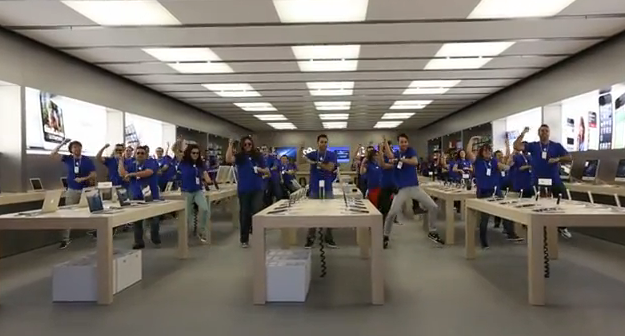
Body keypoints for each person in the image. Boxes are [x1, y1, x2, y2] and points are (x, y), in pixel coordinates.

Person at [382, 134, 444, 248]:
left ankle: (432, 231)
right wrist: (385, 142)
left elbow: (415, 162)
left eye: (405, 141)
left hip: (415, 187)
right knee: (392, 213)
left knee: (433, 207)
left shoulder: (411, 151)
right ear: (399, 143)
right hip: (402, 190)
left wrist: (401, 159)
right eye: (401, 142)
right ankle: (385, 236)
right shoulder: (396, 154)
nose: (404, 144)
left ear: (408, 142)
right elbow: (390, 155)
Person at [514, 124, 573, 238]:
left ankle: (562, 226)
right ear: (538, 133)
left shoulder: (556, 146)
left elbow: (569, 157)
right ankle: (537, 228)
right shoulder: (534, 146)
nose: (544, 132)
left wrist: (558, 159)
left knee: (563, 199)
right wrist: (523, 133)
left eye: (546, 131)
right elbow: (517, 146)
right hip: (537, 180)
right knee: (538, 204)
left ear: (549, 133)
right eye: (542, 131)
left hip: (553, 178)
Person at [466, 136, 523, 249]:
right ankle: (483, 241)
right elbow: (468, 152)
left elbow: (503, 167)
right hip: (483, 191)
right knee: (485, 218)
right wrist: (472, 140)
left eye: (489, 150)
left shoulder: (494, 161)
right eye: (485, 150)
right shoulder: (478, 161)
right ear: (481, 152)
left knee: (506, 211)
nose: (488, 152)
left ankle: (510, 233)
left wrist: (509, 166)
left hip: (495, 190)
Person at [51, 139, 97, 249]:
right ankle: (65, 239)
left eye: (79, 147)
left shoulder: (87, 160)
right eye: (74, 147)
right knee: (68, 213)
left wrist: (84, 178)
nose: (77, 149)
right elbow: (53, 154)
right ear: (71, 150)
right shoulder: (68, 159)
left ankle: (94, 230)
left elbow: (94, 174)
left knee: (89, 211)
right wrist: (62, 143)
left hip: (85, 189)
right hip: (72, 189)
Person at [226, 136, 268, 248]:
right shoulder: (240, 157)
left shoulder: (258, 156)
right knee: (244, 213)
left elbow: (267, 172)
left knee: (256, 211)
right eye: (245, 144)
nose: (247, 146)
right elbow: (229, 159)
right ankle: (244, 239)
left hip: (257, 188)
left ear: (252, 145)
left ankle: (258, 235)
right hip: (244, 189)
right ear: (242, 146)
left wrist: (260, 170)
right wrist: (230, 145)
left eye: (249, 144)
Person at [118, 146, 161, 249]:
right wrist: (121, 160)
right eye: (138, 153)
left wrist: (133, 174)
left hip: (151, 195)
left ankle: (155, 238)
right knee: (137, 220)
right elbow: (122, 173)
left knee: (154, 219)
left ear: (146, 154)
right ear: (135, 154)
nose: (140, 155)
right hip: (136, 195)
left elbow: (148, 172)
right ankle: (138, 241)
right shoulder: (131, 163)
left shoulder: (151, 162)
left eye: (142, 153)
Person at [303, 134, 338, 249]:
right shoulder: (313, 154)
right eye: (321, 142)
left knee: (329, 213)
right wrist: (301, 149)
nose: (323, 144)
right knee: (312, 213)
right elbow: (300, 160)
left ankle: (329, 237)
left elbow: (330, 167)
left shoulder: (331, 155)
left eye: (325, 142)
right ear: (317, 143)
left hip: (327, 187)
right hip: (314, 187)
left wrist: (316, 163)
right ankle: (311, 237)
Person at [178, 143, 212, 243]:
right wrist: (179, 142)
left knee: (205, 209)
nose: (195, 155)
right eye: (193, 153)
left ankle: (201, 231)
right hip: (186, 191)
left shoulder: (200, 164)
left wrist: (209, 180)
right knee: (187, 215)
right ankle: (185, 236)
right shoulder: (183, 162)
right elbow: (175, 150)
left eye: (197, 153)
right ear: (189, 153)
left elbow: (206, 174)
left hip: (198, 190)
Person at [378, 140, 397, 227]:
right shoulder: (382, 158)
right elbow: (383, 165)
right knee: (385, 208)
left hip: (394, 185)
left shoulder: (393, 157)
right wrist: (381, 150)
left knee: (393, 207)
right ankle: (382, 227)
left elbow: (394, 164)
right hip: (385, 186)